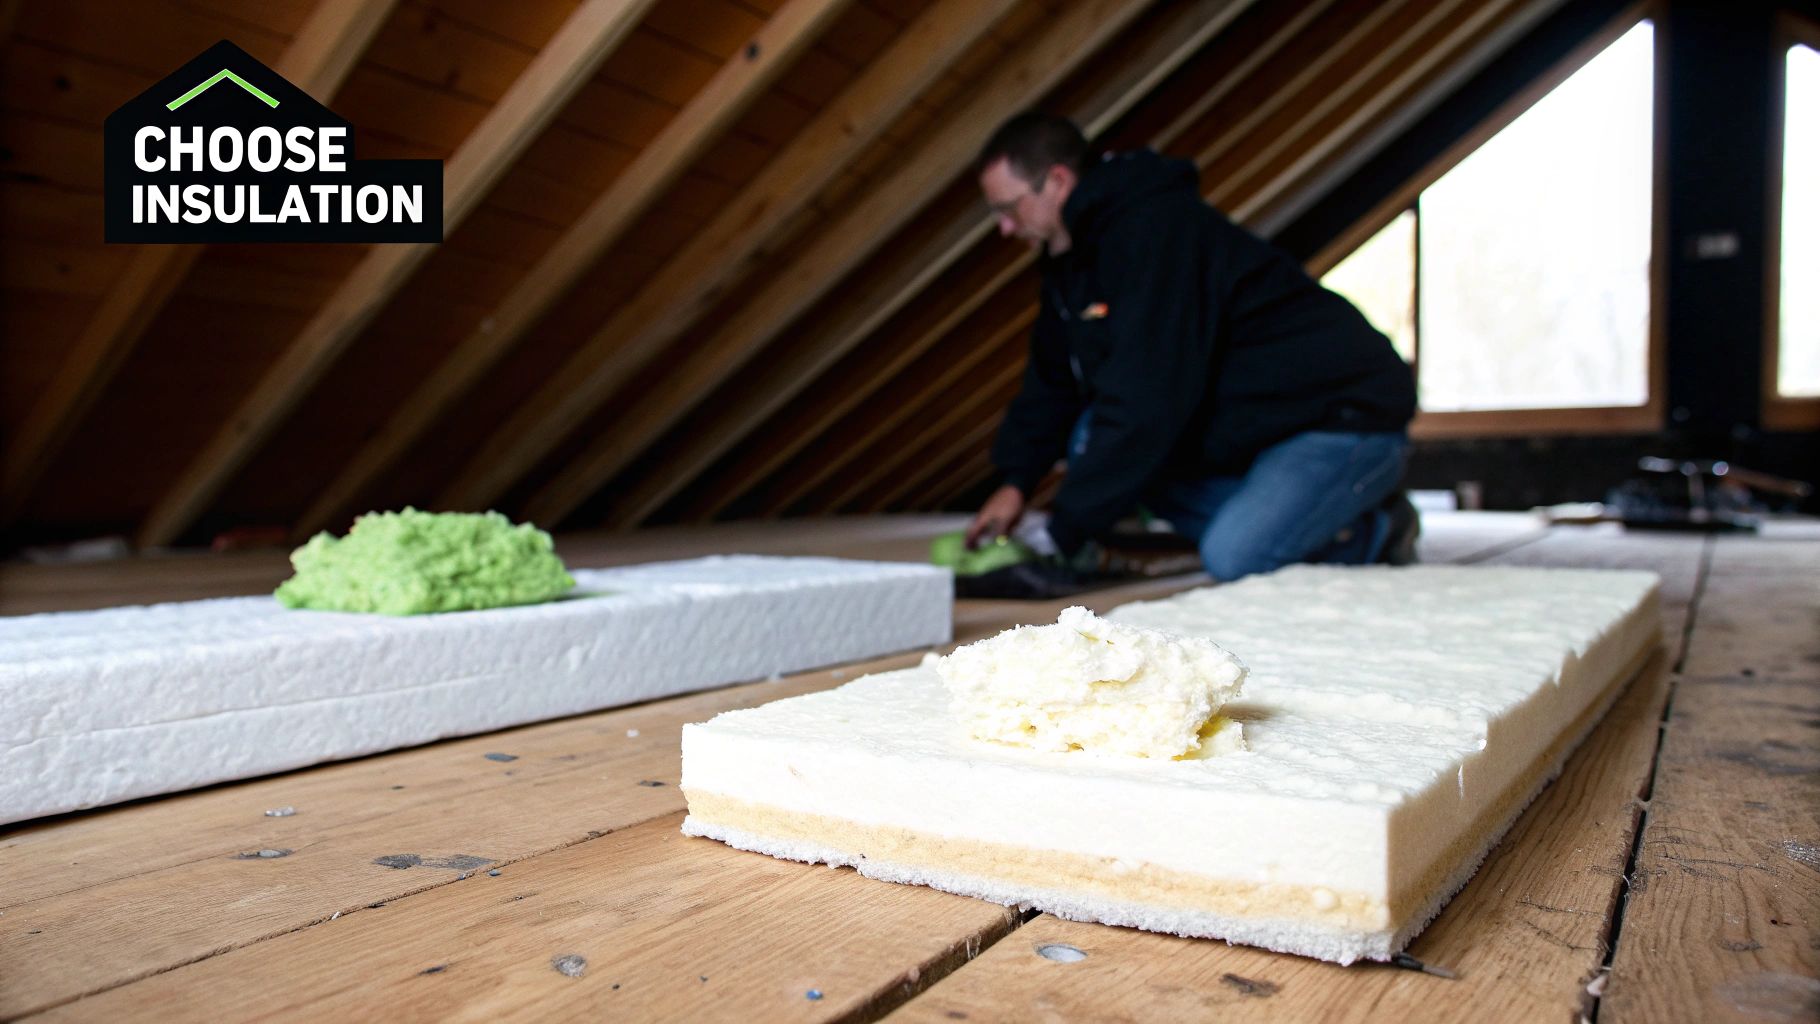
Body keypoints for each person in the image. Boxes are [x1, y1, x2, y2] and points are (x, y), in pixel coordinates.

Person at [963, 112, 1419, 582]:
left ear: (1056, 181)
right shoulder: (1071, 264)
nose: (1005, 228)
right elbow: (1054, 379)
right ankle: (1311, 516)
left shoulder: (1154, 234)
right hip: (1253, 429)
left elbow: (1148, 397)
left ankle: (1374, 530)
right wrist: (1015, 483)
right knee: (1089, 437)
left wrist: (1063, 532)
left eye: (1009, 208)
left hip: (1339, 419)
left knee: (1236, 559)